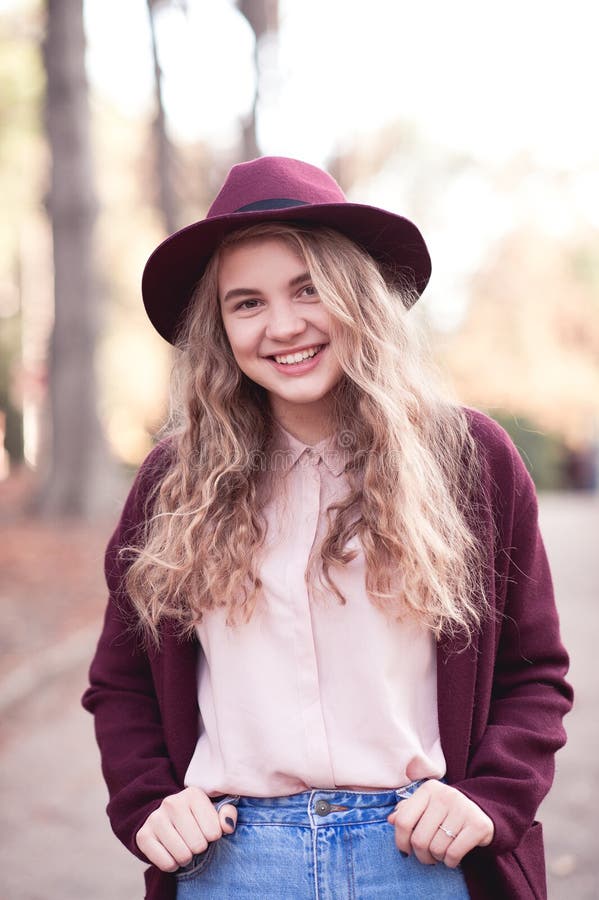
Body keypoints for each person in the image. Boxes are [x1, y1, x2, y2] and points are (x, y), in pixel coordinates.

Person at [82, 156, 572, 900]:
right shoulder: (170, 483)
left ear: (357, 294)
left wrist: (490, 798)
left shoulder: (467, 461)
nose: (282, 326)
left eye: (307, 288)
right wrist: (147, 802)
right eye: (245, 303)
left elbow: (533, 671)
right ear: (219, 326)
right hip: (233, 862)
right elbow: (121, 682)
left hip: (422, 859)